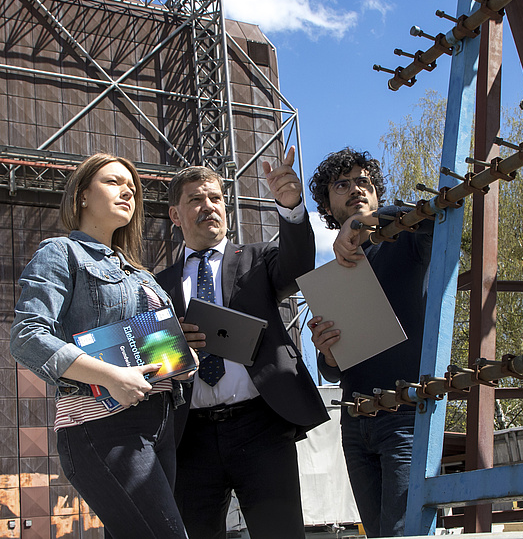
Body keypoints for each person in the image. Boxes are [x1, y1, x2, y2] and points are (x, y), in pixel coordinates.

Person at [10, 154, 197, 539]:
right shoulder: (61, 252)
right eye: (114, 183)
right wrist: (111, 376)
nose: (127, 191)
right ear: (81, 195)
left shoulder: (141, 272)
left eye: (132, 188)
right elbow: (27, 335)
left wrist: (180, 357)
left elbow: (144, 342)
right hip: (102, 423)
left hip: (161, 421)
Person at [155, 146, 329, 539]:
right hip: (191, 437)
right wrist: (172, 345)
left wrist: (291, 209)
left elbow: (299, 266)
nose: (208, 206)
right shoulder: (155, 285)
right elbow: (149, 362)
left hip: (261, 427)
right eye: (195, 199)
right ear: (175, 215)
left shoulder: (258, 258)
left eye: (215, 198)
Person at [307, 147, 434, 538]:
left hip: (406, 414)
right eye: (342, 185)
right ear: (328, 206)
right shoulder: (332, 276)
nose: (355, 188)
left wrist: (366, 224)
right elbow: (333, 368)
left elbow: (429, 214)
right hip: (355, 419)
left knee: (405, 533)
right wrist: (326, 352)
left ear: (377, 194)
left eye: (364, 181)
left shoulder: (407, 241)